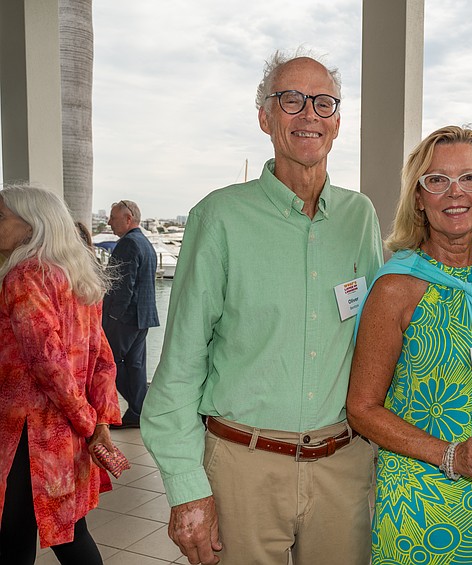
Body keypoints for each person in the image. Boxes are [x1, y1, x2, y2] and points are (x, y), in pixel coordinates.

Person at [140, 51, 383, 565]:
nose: (308, 114)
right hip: (242, 469)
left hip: (342, 466)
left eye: (323, 102)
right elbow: (181, 364)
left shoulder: (360, 217)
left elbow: (374, 343)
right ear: (264, 117)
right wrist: (187, 488)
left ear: (337, 122)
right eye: (290, 100)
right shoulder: (219, 217)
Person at [347, 125, 472, 564]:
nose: (457, 193)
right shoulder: (396, 287)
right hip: (425, 502)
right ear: (418, 197)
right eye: (437, 180)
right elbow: (361, 407)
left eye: (470, 178)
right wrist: (451, 455)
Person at [0, 185, 121, 564]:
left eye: (1, 217)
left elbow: (48, 364)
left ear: (32, 224)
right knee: (72, 532)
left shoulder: (24, 277)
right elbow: (103, 358)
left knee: (14, 536)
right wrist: (97, 420)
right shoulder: (74, 274)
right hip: (63, 433)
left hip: (28, 434)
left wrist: (89, 423)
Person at [102, 199, 159, 428]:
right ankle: (139, 412)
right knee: (135, 365)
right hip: (142, 317)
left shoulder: (128, 244)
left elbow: (123, 285)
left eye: (113, 218)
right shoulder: (146, 243)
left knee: (108, 362)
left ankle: (137, 409)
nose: (109, 222)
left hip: (124, 318)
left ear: (128, 219)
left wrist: (112, 316)